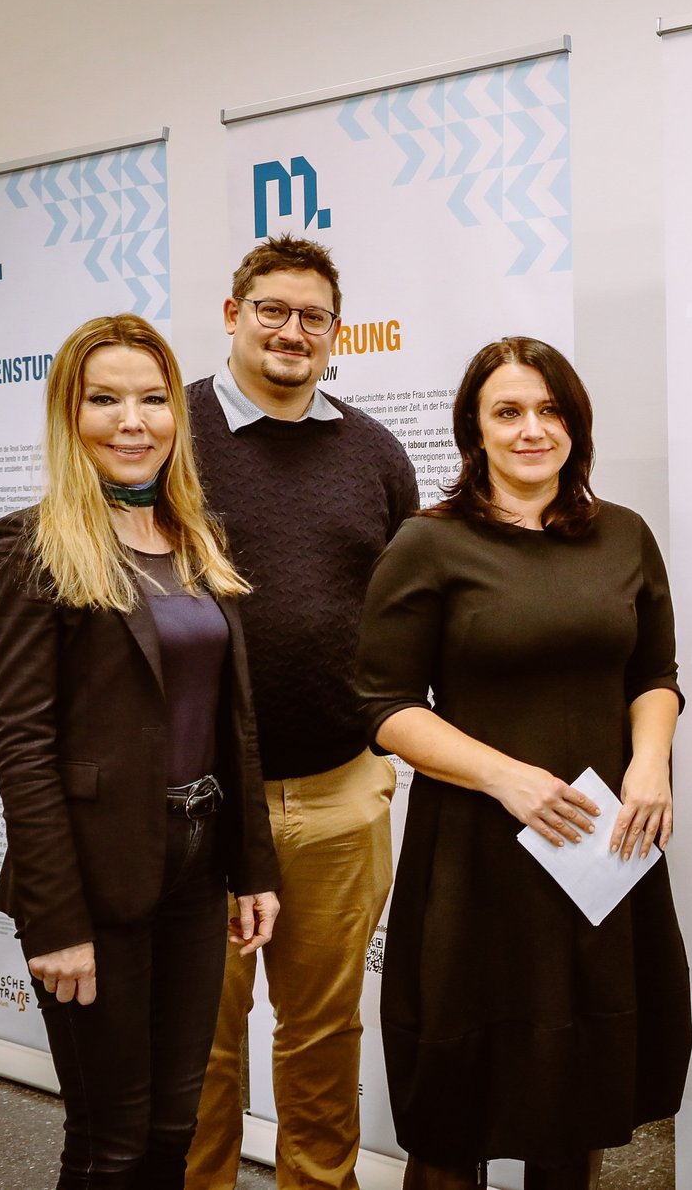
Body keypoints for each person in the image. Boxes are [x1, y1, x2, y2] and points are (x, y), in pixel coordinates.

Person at [356, 337, 691, 1190]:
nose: (531, 429)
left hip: (598, 854)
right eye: (508, 411)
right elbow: (384, 707)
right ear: (475, 427)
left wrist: (648, 764)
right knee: (453, 1106)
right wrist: (504, 777)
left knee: (577, 1088)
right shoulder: (428, 544)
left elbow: (654, 676)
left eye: (550, 411)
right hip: (477, 860)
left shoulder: (624, 536)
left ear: (575, 425)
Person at [0, 315, 280, 1189]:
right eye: (104, 400)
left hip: (193, 872)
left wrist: (252, 866)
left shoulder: (194, 540)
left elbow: (235, 724)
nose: (133, 420)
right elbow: (23, 746)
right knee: (109, 1141)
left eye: (152, 399)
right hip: (92, 882)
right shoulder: (32, 546)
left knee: (173, 1126)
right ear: (69, 415)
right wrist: (59, 922)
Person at [185, 236, 418, 1190]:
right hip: (196, 804)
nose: (292, 331)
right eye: (272, 310)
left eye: (312, 316)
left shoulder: (374, 452)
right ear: (233, 315)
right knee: (198, 1037)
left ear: (335, 333)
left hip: (336, 794)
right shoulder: (171, 436)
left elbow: (411, 608)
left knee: (324, 1032)